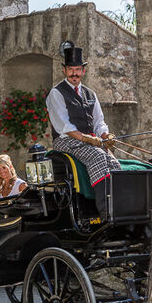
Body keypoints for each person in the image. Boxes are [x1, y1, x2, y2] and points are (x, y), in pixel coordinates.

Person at [45, 42, 120, 217]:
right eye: (71, 69)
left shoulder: (90, 94)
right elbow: (63, 126)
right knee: (99, 157)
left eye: (78, 69)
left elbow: (99, 122)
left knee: (115, 164)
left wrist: (105, 135)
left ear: (83, 71)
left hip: (90, 140)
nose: (74, 73)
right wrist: (87, 139)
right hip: (64, 141)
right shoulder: (56, 93)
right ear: (64, 70)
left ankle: (119, 207)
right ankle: (105, 212)